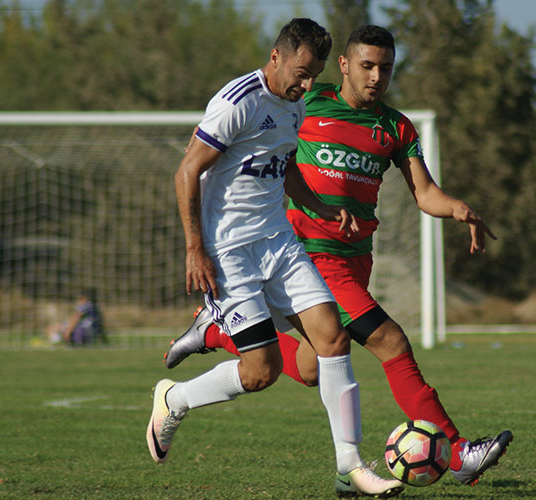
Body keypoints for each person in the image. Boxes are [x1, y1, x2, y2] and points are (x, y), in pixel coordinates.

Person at [165, 25, 512, 490]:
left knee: (311, 367)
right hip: (309, 252)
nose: (376, 77)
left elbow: (425, 193)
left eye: (385, 68)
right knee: (391, 343)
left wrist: (458, 209)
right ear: (345, 65)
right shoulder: (306, 100)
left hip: (355, 259)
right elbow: (232, 152)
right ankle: (457, 452)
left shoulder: (395, 127)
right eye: (367, 66)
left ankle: (218, 332)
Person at [145, 18, 403, 498]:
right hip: (227, 251)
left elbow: (283, 168)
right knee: (260, 371)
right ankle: (173, 398)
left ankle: (349, 467)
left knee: (332, 338)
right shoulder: (237, 102)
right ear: (276, 56)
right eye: (301, 73)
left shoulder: (294, 103)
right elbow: (187, 172)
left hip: (278, 242)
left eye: (314, 75)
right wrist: (194, 248)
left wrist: (322, 206)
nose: (306, 85)